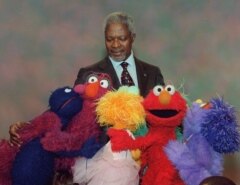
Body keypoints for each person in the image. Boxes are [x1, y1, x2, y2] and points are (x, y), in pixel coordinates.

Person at [8, 11, 164, 184]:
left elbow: (165, 114)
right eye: (109, 39)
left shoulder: (152, 73)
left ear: (132, 37)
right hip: (101, 158)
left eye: (122, 38)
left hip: (146, 155)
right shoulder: (89, 74)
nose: (115, 44)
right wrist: (29, 127)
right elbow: (67, 108)